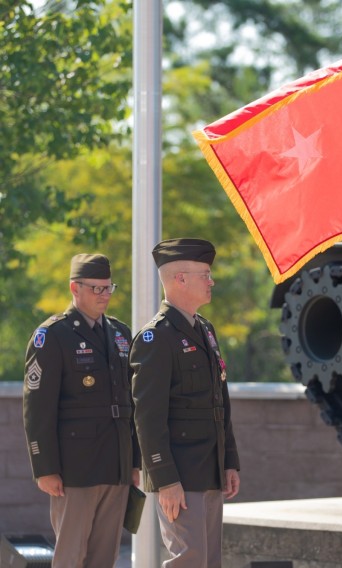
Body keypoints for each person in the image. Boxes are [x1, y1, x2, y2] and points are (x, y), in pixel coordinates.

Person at [23, 253, 140, 568]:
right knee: (71, 556)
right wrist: (45, 468)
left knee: (105, 556)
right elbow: (37, 408)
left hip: (116, 464)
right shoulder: (52, 336)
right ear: (75, 288)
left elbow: (131, 403)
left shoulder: (120, 333)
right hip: (75, 469)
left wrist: (135, 462)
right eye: (96, 289)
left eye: (108, 288)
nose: (104, 296)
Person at [130, 238, 240, 568]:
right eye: (205, 274)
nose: (212, 281)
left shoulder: (204, 330)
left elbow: (220, 402)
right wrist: (165, 480)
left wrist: (230, 460)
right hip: (180, 473)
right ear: (181, 279)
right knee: (188, 560)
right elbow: (147, 418)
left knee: (209, 561)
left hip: (210, 466)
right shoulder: (156, 337)